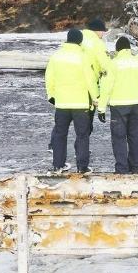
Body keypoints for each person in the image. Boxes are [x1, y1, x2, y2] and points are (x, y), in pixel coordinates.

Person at [44, 29, 99, 174]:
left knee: (60, 134)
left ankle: (58, 165)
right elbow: (90, 80)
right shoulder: (83, 57)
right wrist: (95, 98)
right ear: (80, 41)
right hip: (80, 104)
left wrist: (52, 95)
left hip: (62, 103)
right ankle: (82, 167)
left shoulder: (56, 56)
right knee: (82, 135)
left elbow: (49, 77)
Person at [98, 37, 138, 174]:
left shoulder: (113, 64)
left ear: (117, 49)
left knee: (119, 138)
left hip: (119, 106)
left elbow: (106, 87)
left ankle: (122, 168)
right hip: (136, 105)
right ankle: (136, 165)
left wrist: (101, 108)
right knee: (134, 136)